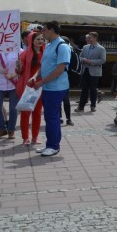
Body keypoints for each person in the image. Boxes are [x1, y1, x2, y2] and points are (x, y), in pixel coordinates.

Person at [30, 21, 71, 157]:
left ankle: (53, 146)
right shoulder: (49, 45)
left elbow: (59, 69)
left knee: (52, 117)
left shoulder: (62, 46)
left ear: (52, 30)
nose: (43, 33)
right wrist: (35, 76)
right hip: (48, 87)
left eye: (45, 30)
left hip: (57, 87)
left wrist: (41, 83)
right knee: (50, 117)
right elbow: (44, 66)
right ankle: (51, 144)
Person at [16, 31, 45, 147]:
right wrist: (18, 67)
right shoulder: (24, 54)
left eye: (42, 39)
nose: (40, 41)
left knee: (37, 113)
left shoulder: (45, 53)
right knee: (25, 113)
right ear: (31, 41)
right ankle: (25, 138)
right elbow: (19, 71)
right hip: (27, 87)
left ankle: (34, 137)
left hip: (40, 87)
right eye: (37, 39)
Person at [76, 31, 106, 113]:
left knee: (93, 89)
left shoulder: (101, 48)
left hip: (94, 72)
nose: (88, 39)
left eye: (90, 37)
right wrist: (83, 60)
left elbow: (103, 60)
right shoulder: (85, 47)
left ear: (95, 38)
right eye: (88, 37)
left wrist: (91, 62)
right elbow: (80, 56)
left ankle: (93, 106)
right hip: (85, 70)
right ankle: (81, 106)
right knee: (84, 89)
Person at [0, 41, 21, 140]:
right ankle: (2, 128)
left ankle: (11, 130)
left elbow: (23, 67)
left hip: (14, 83)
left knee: (13, 108)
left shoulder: (18, 51)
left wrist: (15, 73)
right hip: (0, 83)